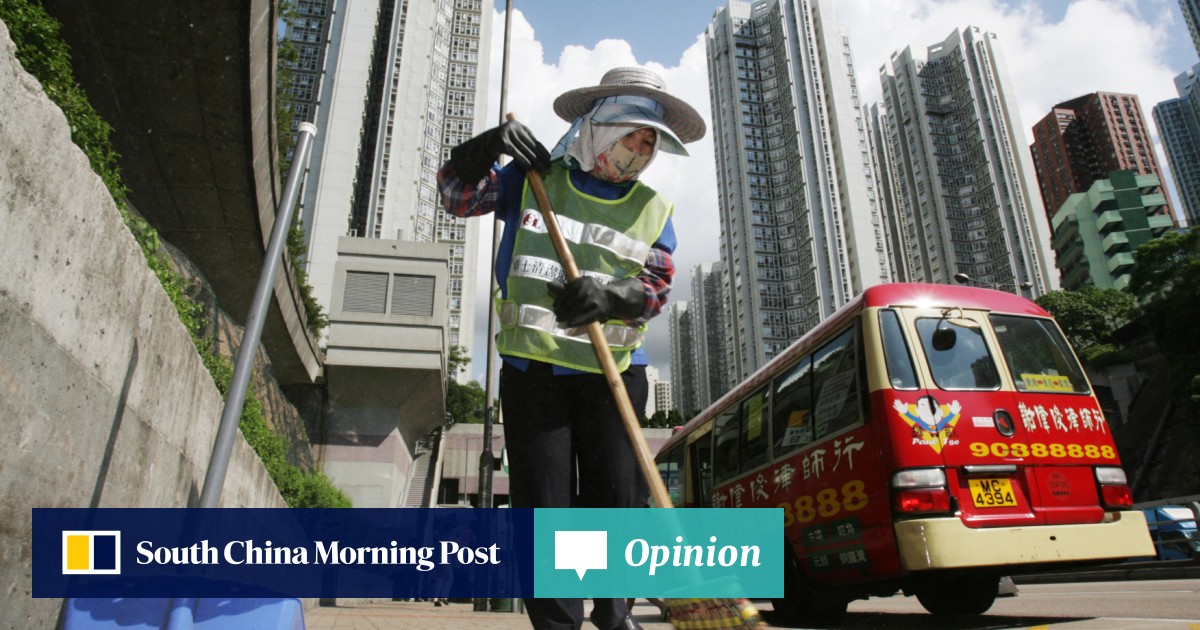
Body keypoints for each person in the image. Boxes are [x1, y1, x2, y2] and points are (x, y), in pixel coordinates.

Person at [437, 67, 705, 630]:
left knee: (615, 502)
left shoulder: (654, 208)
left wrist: (611, 296)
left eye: (650, 142)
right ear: (597, 129)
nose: (640, 150)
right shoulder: (534, 179)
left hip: (612, 380)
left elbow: (655, 289)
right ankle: (558, 625)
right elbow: (458, 199)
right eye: (631, 135)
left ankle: (614, 617)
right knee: (545, 510)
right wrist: (481, 149)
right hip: (534, 376)